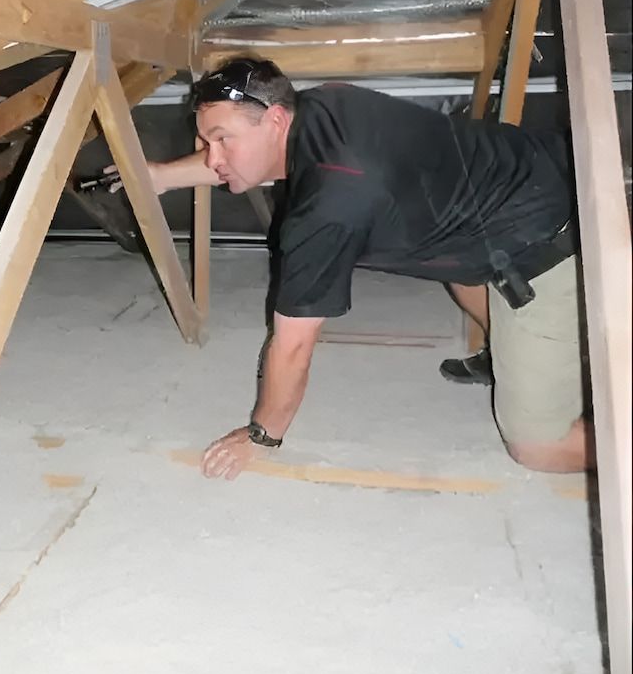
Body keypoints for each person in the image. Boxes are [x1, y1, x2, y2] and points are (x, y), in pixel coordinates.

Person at [139, 58, 592, 478]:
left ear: (275, 120)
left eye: (221, 140)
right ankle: (520, 352)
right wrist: (157, 176)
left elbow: (293, 346)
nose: (212, 157)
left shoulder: (328, 206)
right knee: (451, 260)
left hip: (553, 240)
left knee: (537, 447)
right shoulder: (316, 107)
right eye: (205, 142)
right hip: (533, 174)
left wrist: (263, 435)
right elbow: (240, 162)